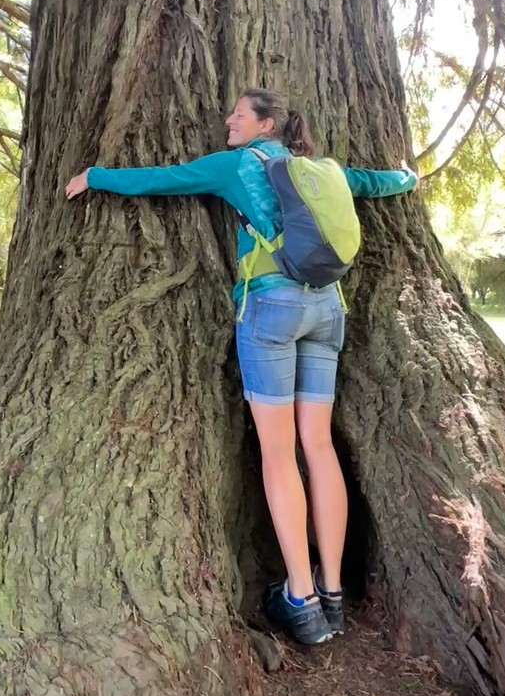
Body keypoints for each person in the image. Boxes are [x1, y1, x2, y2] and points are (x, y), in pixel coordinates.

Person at [66, 88, 417, 645]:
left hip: (271, 308)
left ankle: (300, 598)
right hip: (327, 308)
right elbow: (373, 182)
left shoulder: (238, 165)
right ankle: (331, 590)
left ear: (265, 124)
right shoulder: (318, 170)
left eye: (238, 114)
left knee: (279, 454)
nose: (227, 119)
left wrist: (97, 176)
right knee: (317, 447)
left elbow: (165, 178)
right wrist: (407, 178)